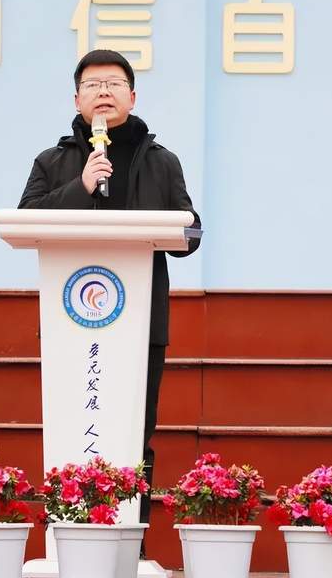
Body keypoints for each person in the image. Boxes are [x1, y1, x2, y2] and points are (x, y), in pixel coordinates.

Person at [18, 49, 201, 526]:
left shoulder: (162, 162)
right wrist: (80, 186)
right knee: (70, 425)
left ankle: (130, 542)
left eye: (114, 84)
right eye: (93, 84)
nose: (103, 92)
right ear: (76, 99)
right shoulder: (52, 161)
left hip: (140, 324)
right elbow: (27, 219)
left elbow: (191, 234)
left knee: (134, 432)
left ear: (132, 97)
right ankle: (67, 532)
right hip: (70, 324)